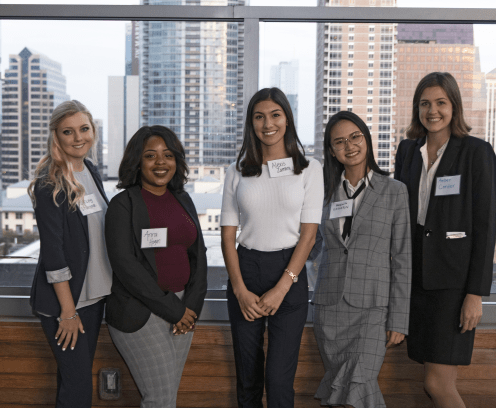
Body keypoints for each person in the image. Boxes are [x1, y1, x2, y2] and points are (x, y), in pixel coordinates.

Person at [395, 72, 496, 408]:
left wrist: (475, 294)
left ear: (454, 106)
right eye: (425, 103)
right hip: (416, 282)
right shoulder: (407, 151)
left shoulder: (475, 152)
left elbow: (485, 227)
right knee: (436, 382)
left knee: (437, 383)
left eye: (440, 102)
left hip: (453, 286)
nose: (432, 110)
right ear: (416, 109)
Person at [220, 87, 324, 408]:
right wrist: (239, 289)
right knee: (248, 378)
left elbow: (308, 235)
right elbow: (227, 235)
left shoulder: (309, 169)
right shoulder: (236, 170)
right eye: (259, 116)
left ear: (288, 120)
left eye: (275, 115)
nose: (268, 123)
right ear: (251, 123)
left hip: (289, 274)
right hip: (246, 270)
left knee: (278, 382)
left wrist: (282, 287)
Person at [309, 111, 411, 408]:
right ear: (331, 151)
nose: (349, 146)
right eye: (339, 142)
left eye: (355, 137)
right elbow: (311, 245)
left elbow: (402, 257)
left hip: (373, 311)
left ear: (366, 139)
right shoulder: (323, 195)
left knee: (360, 382)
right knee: (341, 391)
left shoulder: (395, 191)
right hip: (330, 309)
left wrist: (399, 319)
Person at [105, 125, 207, 408]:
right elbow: (126, 267)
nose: (161, 162)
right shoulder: (122, 205)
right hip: (141, 313)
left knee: (167, 397)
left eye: (168, 155)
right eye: (151, 156)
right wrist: (174, 311)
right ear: (137, 162)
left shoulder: (183, 199)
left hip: (183, 309)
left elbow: (198, 255)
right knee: (159, 399)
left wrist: (192, 308)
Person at [28, 100, 112, 408]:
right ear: (56, 136)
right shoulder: (49, 184)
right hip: (67, 304)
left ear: (93, 131)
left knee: (72, 385)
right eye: (68, 131)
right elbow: (54, 254)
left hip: (92, 299)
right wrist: (68, 311)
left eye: (84, 129)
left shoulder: (89, 170)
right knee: (79, 392)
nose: (78, 138)